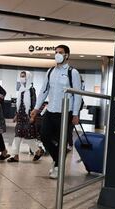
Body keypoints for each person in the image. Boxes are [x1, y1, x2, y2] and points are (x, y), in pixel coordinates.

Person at [30, 45, 82, 179]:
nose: (57, 54)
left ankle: (58, 167)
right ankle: (56, 159)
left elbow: (78, 95)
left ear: (67, 55)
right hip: (51, 110)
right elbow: (43, 91)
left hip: (65, 112)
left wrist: (76, 114)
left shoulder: (73, 72)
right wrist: (36, 108)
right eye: (56, 52)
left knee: (62, 141)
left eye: (60, 52)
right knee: (44, 136)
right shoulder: (50, 71)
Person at [8, 71, 44, 162]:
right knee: (17, 136)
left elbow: (34, 104)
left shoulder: (31, 90)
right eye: (21, 76)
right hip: (20, 117)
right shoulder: (20, 89)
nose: (22, 78)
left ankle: (38, 151)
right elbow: (19, 104)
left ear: (28, 78)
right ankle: (15, 155)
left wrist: (32, 117)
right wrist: (16, 115)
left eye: (23, 76)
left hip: (28, 116)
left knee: (28, 138)